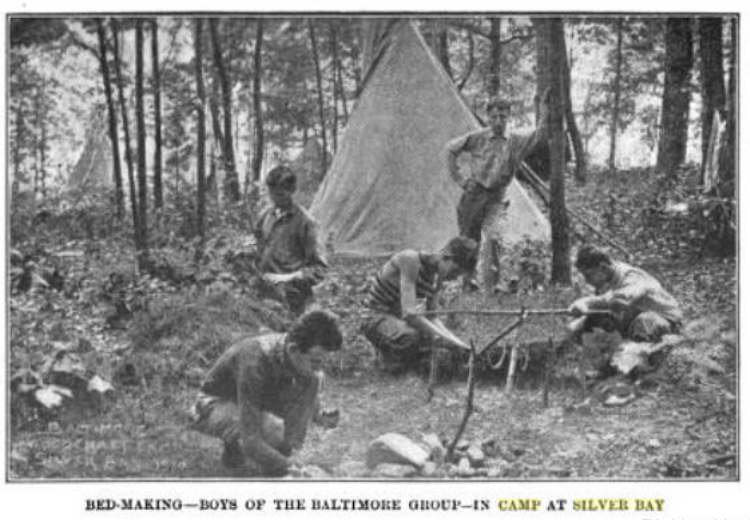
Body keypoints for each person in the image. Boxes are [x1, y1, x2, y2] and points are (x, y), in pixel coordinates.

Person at [191, 309, 343, 477]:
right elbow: (251, 441)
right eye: (315, 361)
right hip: (214, 404)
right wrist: (286, 466)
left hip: (256, 399)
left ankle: (240, 448)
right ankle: (232, 443)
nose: (319, 368)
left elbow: (295, 432)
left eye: (324, 361)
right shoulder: (253, 362)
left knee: (281, 439)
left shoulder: (303, 362)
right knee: (270, 433)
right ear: (293, 350)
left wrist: (293, 454)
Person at [445, 92, 549, 291]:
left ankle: (492, 285)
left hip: (497, 195)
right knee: (469, 239)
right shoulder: (478, 137)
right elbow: (450, 149)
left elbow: (539, 135)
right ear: (488, 117)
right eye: (494, 116)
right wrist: (460, 180)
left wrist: (544, 109)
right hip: (474, 194)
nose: (498, 121)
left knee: (494, 237)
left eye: (503, 116)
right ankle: (468, 282)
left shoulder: (516, 140)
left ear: (508, 117)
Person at [360, 237, 478, 374]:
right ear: (446, 257)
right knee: (411, 336)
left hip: (396, 319)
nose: (454, 277)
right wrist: (447, 340)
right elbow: (410, 315)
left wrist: (458, 343)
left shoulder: (437, 275)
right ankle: (390, 366)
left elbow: (432, 317)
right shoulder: (410, 260)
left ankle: (401, 365)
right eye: (455, 271)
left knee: (431, 338)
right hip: (374, 316)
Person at [568, 245, 683, 343]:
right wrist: (581, 308)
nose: (587, 280)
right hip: (635, 320)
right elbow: (605, 301)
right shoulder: (610, 277)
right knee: (577, 328)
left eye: (588, 275)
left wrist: (590, 303)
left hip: (666, 321)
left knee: (644, 321)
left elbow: (625, 297)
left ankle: (642, 362)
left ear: (603, 267)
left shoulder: (631, 276)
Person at [254, 165, 327, 315]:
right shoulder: (265, 216)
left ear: (292, 191)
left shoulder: (306, 223)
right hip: (265, 296)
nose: (275, 199)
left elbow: (319, 269)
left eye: (280, 194)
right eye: (271, 194)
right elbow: (258, 246)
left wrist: (286, 277)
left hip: (294, 298)